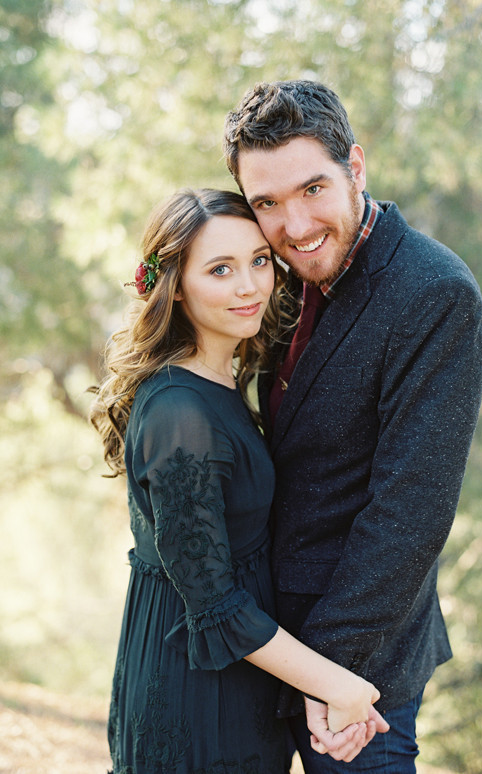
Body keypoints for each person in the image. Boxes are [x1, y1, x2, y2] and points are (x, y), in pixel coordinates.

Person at [223, 80, 482, 772]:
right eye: (267, 203)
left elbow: (410, 513)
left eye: (313, 189)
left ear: (356, 168)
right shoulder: (275, 278)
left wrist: (329, 674)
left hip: (361, 670)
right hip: (266, 644)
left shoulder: (434, 293)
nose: (294, 224)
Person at [89, 187, 388, 773]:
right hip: (194, 698)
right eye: (220, 269)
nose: (250, 286)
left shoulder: (223, 378)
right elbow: (215, 604)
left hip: (239, 679)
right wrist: (335, 683)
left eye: (259, 261)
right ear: (175, 285)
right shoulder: (180, 413)